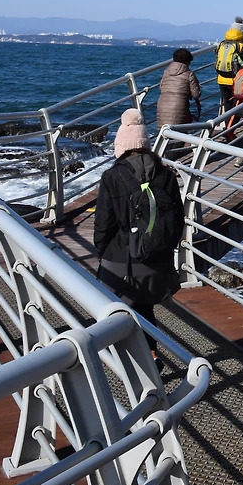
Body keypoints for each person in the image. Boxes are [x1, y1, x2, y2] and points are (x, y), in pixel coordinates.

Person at [95, 109, 183, 355]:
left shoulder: (112, 176)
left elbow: (103, 224)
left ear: (121, 146)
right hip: (155, 260)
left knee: (113, 311)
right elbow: (178, 220)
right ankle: (151, 354)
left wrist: (103, 253)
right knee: (144, 309)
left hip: (121, 259)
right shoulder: (166, 175)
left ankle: (126, 360)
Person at [155, 48, 201, 132]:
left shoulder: (166, 72)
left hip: (163, 105)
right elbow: (196, 94)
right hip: (179, 107)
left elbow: (161, 87)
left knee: (164, 133)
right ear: (188, 61)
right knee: (179, 133)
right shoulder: (189, 74)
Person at [214, 19, 243, 115]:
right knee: (236, 104)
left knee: (227, 103)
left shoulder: (221, 44)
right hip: (236, 80)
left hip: (221, 78)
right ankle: (234, 121)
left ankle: (227, 121)